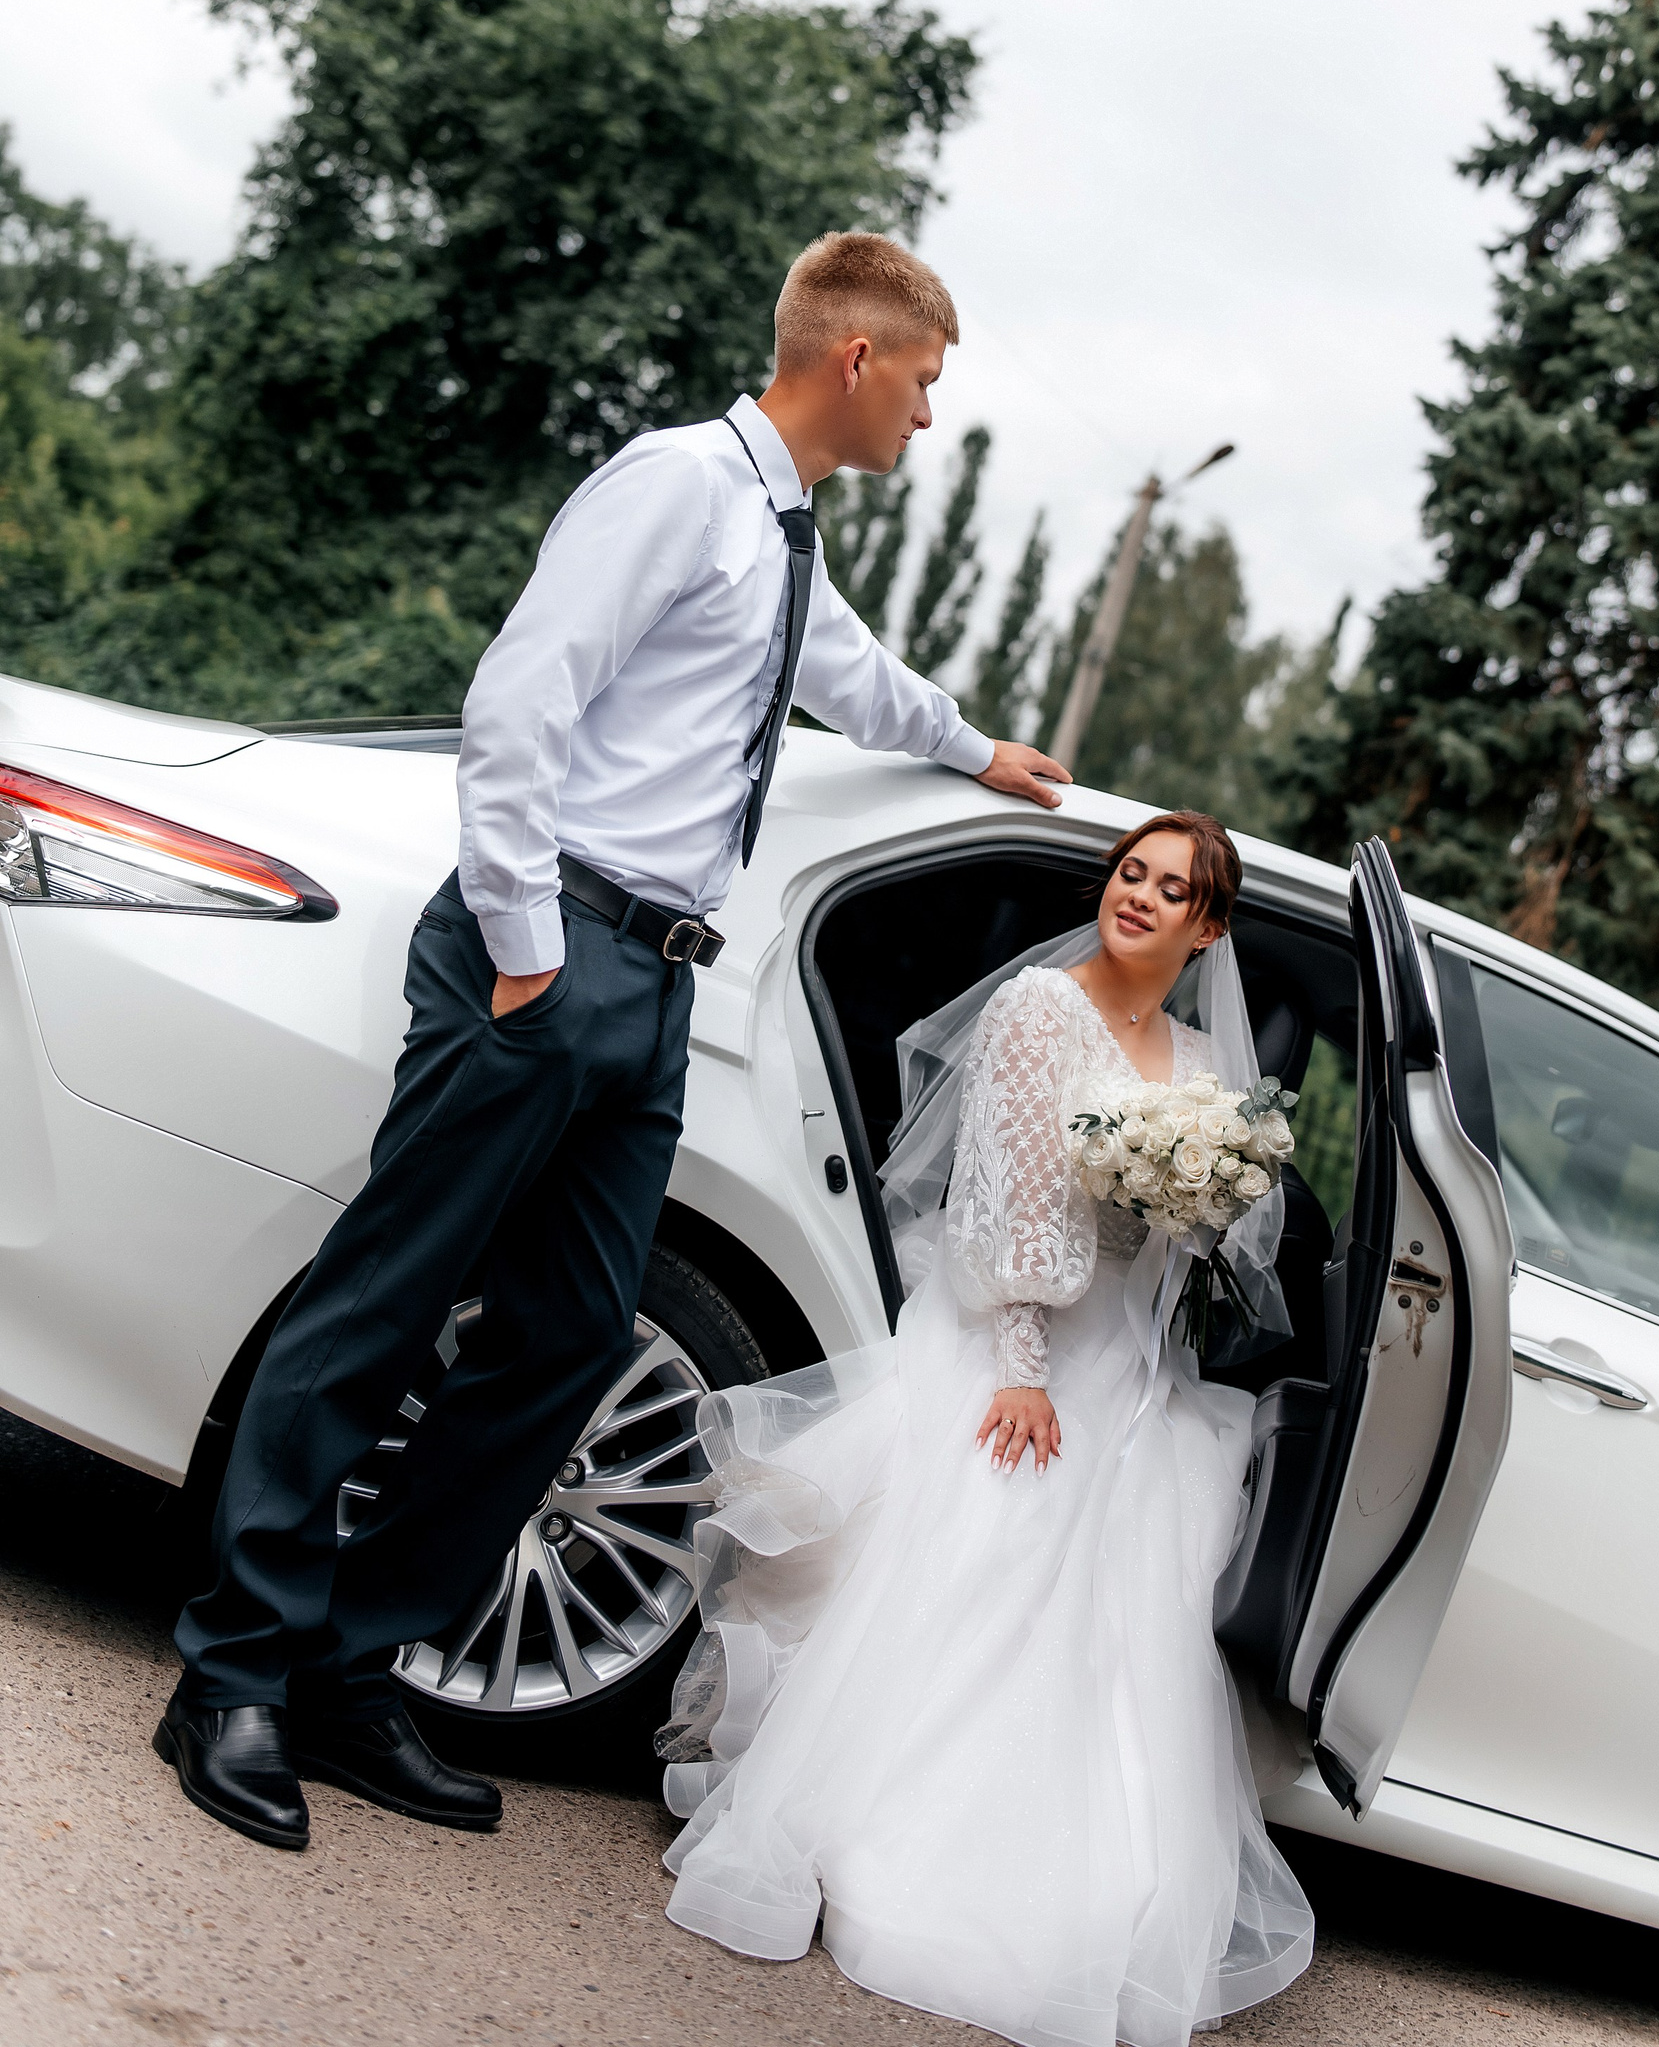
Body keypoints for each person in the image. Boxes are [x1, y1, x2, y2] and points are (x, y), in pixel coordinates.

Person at [156, 230, 1066, 1853]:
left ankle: (350, 1667)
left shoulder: (783, 538)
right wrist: (525, 948)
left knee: (574, 1333)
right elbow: (521, 701)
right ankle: (229, 1675)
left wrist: (979, 748)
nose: (928, 417)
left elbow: (854, 683)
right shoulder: (673, 485)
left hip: (653, 993)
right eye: (925, 383)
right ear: (854, 357)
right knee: (381, 1304)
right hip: (552, 949)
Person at [656, 810, 1315, 2047]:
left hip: (1131, 1361)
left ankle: (1074, 1857)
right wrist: (1022, 1367)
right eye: (1130, 872)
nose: (1138, 896)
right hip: (1015, 1341)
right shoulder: (1036, 1011)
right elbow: (1002, 1193)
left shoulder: (1193, 1060)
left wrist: (1198, 1204)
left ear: (1206, 928)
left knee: (1132, 1584)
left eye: (1171, 889)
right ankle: (897, 1831)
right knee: (1000, 1542)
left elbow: (1188, 1246)